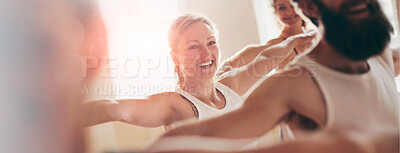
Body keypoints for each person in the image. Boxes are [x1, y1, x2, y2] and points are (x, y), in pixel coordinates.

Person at [156, 0, 400, 148]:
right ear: (307, 6)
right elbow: (180, 140)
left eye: (209, 43)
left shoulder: (382, 56)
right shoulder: (289, 88)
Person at [83, 13, 315, 129]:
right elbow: (114, 108)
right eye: (193, 47)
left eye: (211, 42)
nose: (206, 54)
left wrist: (306, 38)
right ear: (175, 56)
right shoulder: (176, 105)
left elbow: (267, 58)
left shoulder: (231, 86)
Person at [216, 0, 314, 77]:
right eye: (282, 8)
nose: (288, 12)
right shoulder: (277, 45)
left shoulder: (316, 38)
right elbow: (225, 68)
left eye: (292, 5)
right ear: (275, 11)